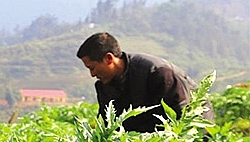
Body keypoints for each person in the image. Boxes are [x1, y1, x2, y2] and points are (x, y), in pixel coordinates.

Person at [76, 32, 214, 133]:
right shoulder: (105, 86)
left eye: (92, 68)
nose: (92, 74)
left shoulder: (158, 72)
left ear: (109, 59)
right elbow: (109, 126)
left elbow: (181, 116)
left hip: (195, 134)